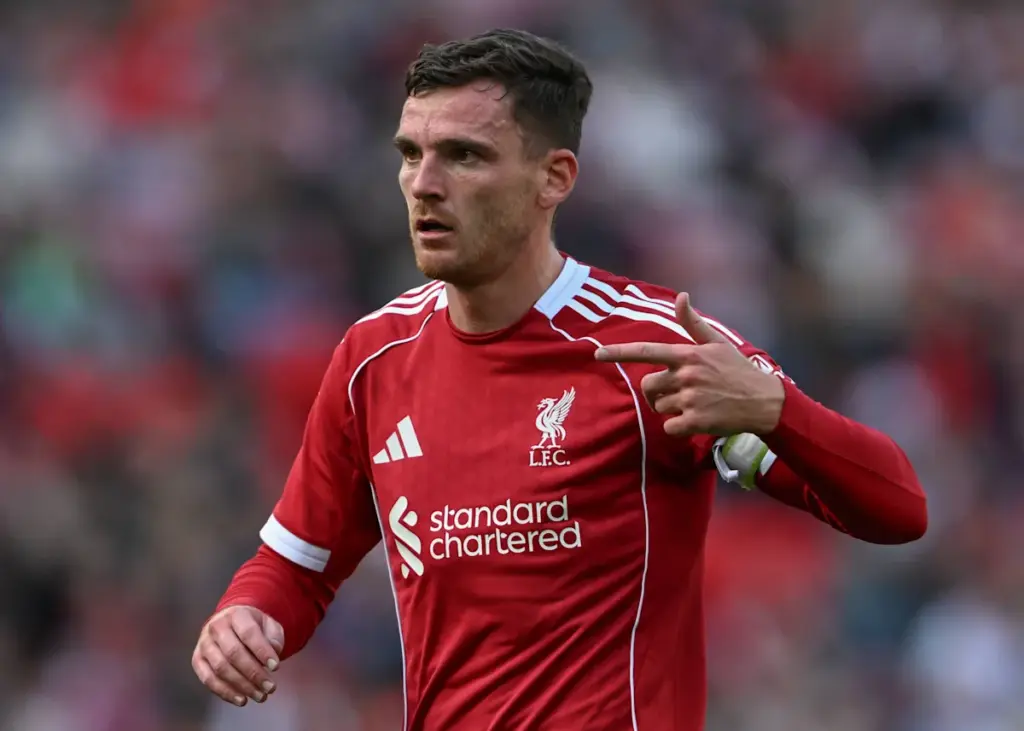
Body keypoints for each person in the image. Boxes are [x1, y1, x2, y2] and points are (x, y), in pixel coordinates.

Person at [191, 28, 928, 731]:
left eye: (464, 156)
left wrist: (775, 410)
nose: (424, 184)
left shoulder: (651, 348)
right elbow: (295, 566)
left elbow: (898, 509)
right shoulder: (373, 358)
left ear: (554, 178)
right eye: (410, 154)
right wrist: (244, 619)